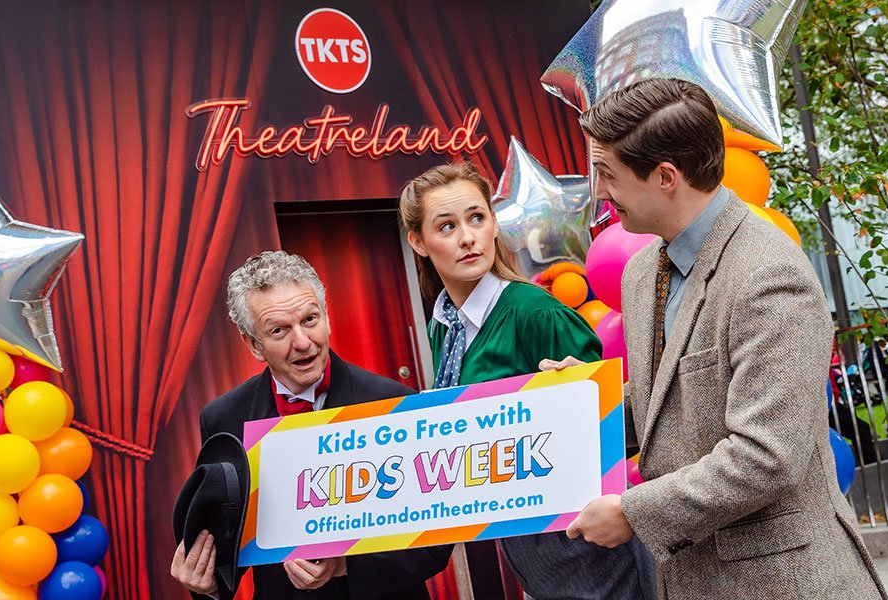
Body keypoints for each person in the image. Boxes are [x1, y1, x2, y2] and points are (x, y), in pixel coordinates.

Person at [554, 78, 887, 599]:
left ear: (666, 176)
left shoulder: (768, 273)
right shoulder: (642, 272)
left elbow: (767, 455)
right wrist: (585, 406)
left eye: (607, 173)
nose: (598, 191)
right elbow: (669, 410)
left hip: (782, 585)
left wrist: (633, 513)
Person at [399, 163, 657, 600]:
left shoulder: (535, 311)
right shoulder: (444, 326)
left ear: (493, 222)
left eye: (476, 218)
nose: (467, 237)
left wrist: (581, 397)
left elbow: (605, 432)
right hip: (525, 543)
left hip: (583, 545)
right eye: (447, 226)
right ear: (419, 242)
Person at [170, 251, 452, 599]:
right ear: (254, 344)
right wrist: (206, 584)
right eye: (279, 330)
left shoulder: (394, 402)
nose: (303, 342)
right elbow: (224, 552)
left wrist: (346, 565)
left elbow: (434, 546)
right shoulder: (224, 419)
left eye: (310, 319)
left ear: (327, 318)